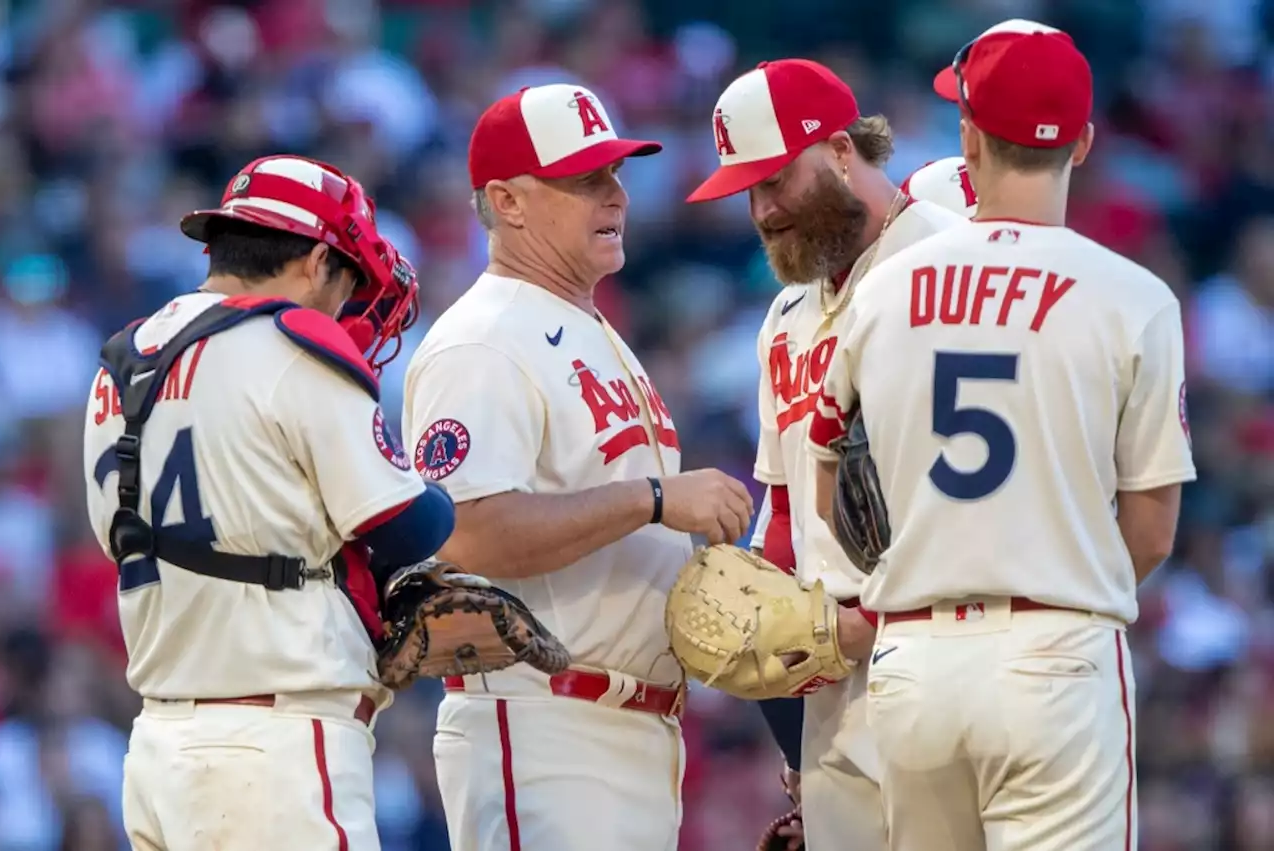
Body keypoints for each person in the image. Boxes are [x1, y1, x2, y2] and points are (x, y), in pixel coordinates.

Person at [807, 20, 1196, 851]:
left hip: (913, 657)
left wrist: (929, 565)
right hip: (1053, 650)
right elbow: (1153, 529)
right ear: (1083, 143)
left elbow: (825, 488)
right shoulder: (1135, 298)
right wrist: (1054, 576)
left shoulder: (882, 288)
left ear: (969, 136)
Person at [402, 83, 756, 851]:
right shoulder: (482, 340)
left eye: (617, 174)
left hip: (628, 730)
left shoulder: (590, 326)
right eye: (585, 179)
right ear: (508, 200)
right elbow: (468, 530)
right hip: (543, 724)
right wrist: (654, 498)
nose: (616, 195)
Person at [83, 155, 457, 851]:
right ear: (318, 259)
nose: (349, 305)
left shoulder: (120, 359)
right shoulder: (292, 340)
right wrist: (441, 491)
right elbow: (409, 523)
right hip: (273, 748)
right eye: (349, 280)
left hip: (160, 748)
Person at [685, 58, 975, 850]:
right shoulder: (785, 314)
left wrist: (869, 621)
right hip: (836, 691)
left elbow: (984, 495)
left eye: (775, 181)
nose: (762, 210)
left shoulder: (954, 263)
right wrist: (780, 687)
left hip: (947, 650)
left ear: (843, 151)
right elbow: (782, 508)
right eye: (746, 191)